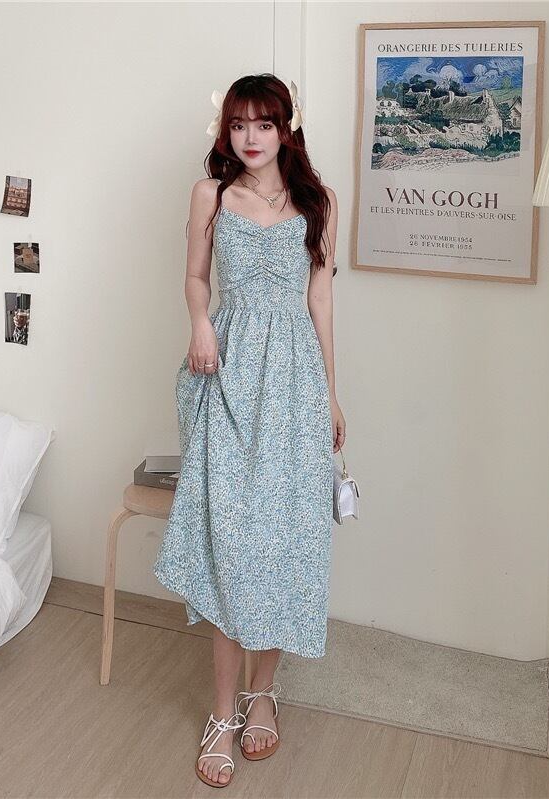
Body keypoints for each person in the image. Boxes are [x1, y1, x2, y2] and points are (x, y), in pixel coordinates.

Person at [153, 73, 345, 788]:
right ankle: (222, 713)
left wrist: (331, 395)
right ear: (225, 130)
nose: (251, 137)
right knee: (232, 545)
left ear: (288, 128)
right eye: (238, 124)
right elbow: (196, 278)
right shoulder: (211, 194)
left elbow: (320, 299)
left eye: (264, 123)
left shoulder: (318, 201)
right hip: (226, 369)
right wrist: (201, 324)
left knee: (284, 541)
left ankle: (264, 693)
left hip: (295, 381)